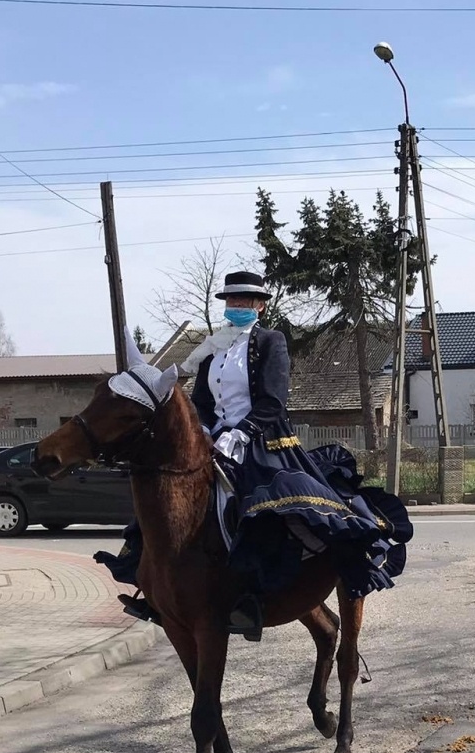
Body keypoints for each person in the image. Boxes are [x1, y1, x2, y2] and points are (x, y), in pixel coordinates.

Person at [98, 271, 410, 641]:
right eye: (233, 301)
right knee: (164, 505)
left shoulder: (270, 341)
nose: (239, 306)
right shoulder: (212, 348)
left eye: (246, 301)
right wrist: (207, 432)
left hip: (264, 441)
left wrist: (240, 433)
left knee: (262, 510)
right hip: (214, 442)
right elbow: (201, 401)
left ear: (261, 305)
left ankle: (260, 593)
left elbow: (273, 401)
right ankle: (154, 589)